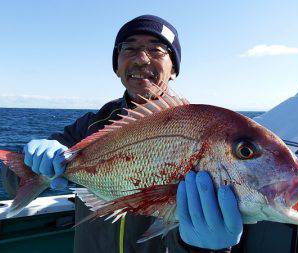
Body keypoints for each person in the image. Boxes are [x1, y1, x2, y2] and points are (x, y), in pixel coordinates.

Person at [21, 15, 243, 253]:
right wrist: (30, 164)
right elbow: (14, 181)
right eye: (130, 48)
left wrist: (205, 250)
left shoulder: (198, 128)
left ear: (174, 69)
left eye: (156, 50)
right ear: (117, 65)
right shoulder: (91, 124)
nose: (141, 59)